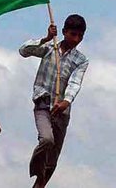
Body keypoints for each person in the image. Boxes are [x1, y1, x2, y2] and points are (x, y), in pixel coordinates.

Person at [19, 14, 89, 188]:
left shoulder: (81, 60)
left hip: (62, 110)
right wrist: (46, 38)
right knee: (47, 140)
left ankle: (40, 184)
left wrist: (66, 101)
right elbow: (24, 50)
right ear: (64, 32)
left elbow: (75, 82)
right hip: (43, 103)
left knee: (53, 156)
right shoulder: (50, 47)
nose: (76, 39)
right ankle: (35, 169)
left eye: (80, 36)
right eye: (73, 34)